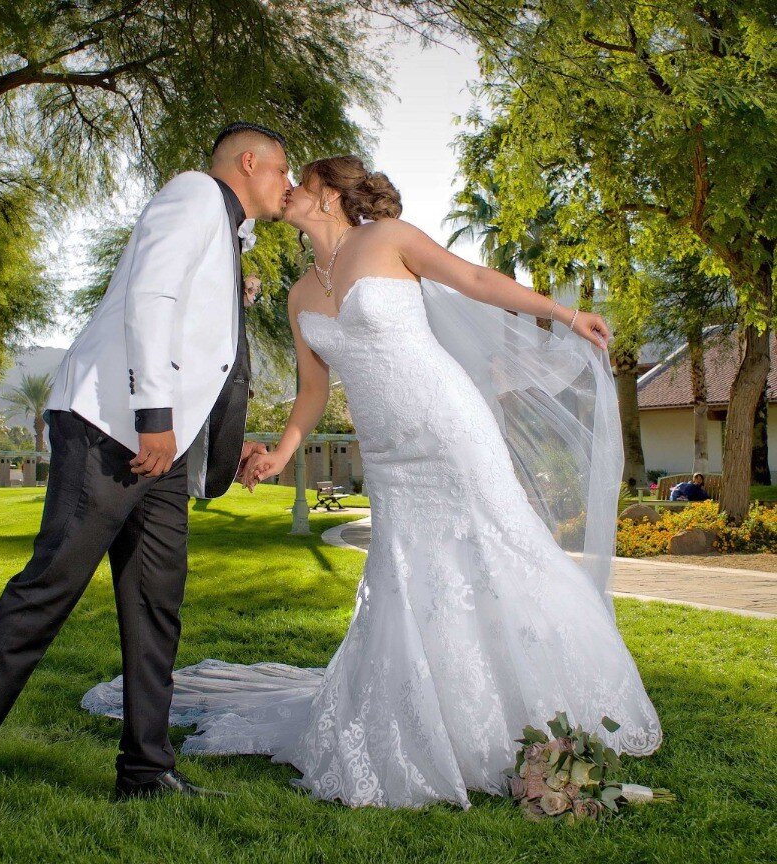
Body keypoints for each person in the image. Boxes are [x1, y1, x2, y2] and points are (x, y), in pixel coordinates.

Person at [82, 155, 662, 810]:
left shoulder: (388, 238)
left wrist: (562, 313)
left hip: (449, 427)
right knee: (408, 577)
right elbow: (312, 391)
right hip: (389, 457)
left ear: (330, 193)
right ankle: (437, 721)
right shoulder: (301, 294)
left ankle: (544, 712)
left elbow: (473, 278)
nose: (291, 189)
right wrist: (280, 454)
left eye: (303, 180)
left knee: (500, 552)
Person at [0, 122, 291, 836]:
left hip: (161, 450)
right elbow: (151, 301)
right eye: (282, 173)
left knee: (155, 608)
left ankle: (145, 769)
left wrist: (207, 440)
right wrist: (153, 414)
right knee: (45, 595)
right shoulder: (196, 195)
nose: (287, 188)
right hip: (113, 430)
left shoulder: (229, 235)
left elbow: (203, 351)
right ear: (248, 163)